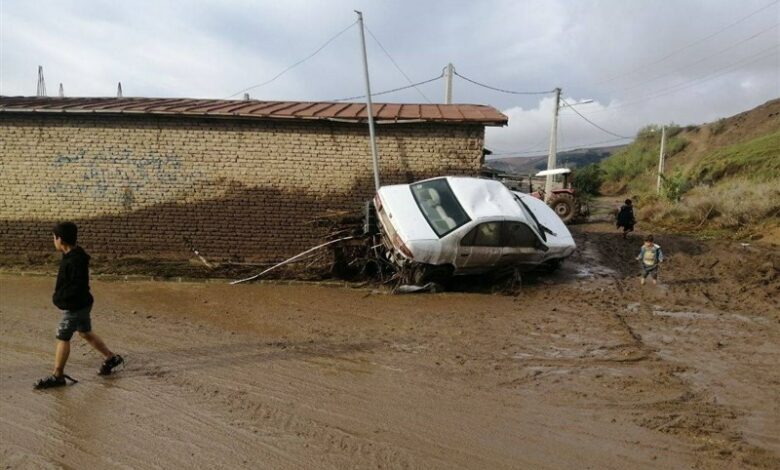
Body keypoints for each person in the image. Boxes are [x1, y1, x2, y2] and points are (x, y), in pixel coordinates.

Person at [34, 222, 124, 389]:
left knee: (63, 336)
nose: (53, 241)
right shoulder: (74, 255)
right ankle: (111, 358)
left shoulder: (73, 261)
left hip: (75, 306)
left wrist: (59, 299)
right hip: (83, 303)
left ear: (60, 239)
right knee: (84, 332)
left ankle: (58, 376)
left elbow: (75, 287)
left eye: (54, 238)